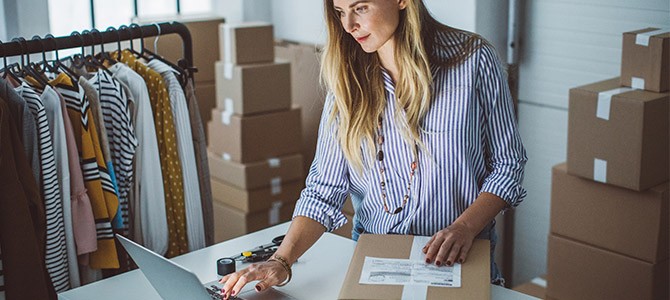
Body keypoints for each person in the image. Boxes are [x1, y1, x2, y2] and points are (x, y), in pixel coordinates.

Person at [219, 0, 527, 297]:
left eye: (361, 7)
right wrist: (280, 262)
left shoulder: (473, 59)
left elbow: (508, 164)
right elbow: (323, 191)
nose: (349, 25)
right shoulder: (346, 82)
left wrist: (464, 227)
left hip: (460, 260)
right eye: (340, 12)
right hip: (377, 263)